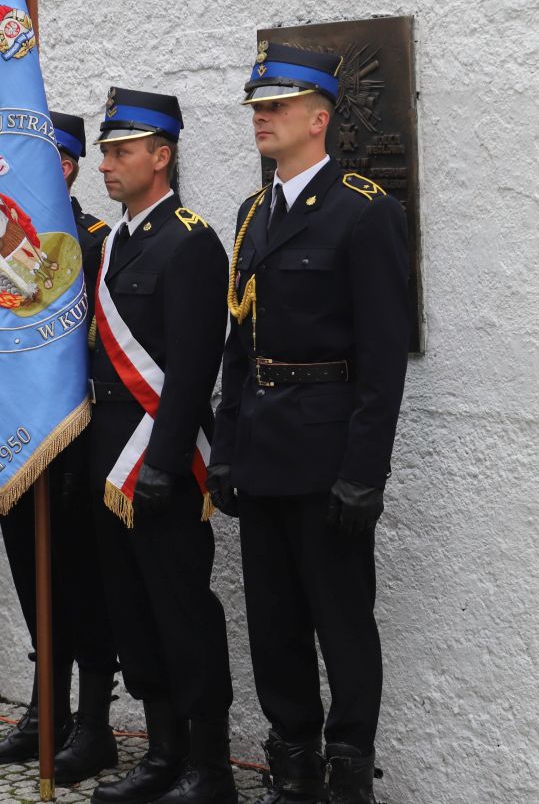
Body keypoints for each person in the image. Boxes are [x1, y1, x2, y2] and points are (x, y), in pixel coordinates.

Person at [208, 43, 412, 804]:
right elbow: (240, 340)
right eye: (259, 107)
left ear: (319, 118)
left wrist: (365, 472)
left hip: (328, 456)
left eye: (278, 106)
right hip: (261, 448)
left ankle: (349, 764)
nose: (262, 117)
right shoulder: (253, 213)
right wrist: (225, 448)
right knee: (273, 621)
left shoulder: (365, 210)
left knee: (342, 620)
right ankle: (292, 759)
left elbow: (382, 358)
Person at [85, 88, 235, 804]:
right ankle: (162, 750)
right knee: (132, 610)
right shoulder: (114, 241)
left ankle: (209, 766)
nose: (106, 164)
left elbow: (194, 366)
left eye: (120, 151)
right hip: (108, 458)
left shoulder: (192, 241)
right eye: (106, 152)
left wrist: (166, 462)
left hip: (160, 460)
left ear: (161, 154)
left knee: (181, 610)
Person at [0, 113, 120, 782]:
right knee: (33, 586)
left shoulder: (94, 241)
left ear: (65, 167)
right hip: (15, 445)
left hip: (75, 448)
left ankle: (91, 724)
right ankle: (45, 713)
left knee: (83, 588)